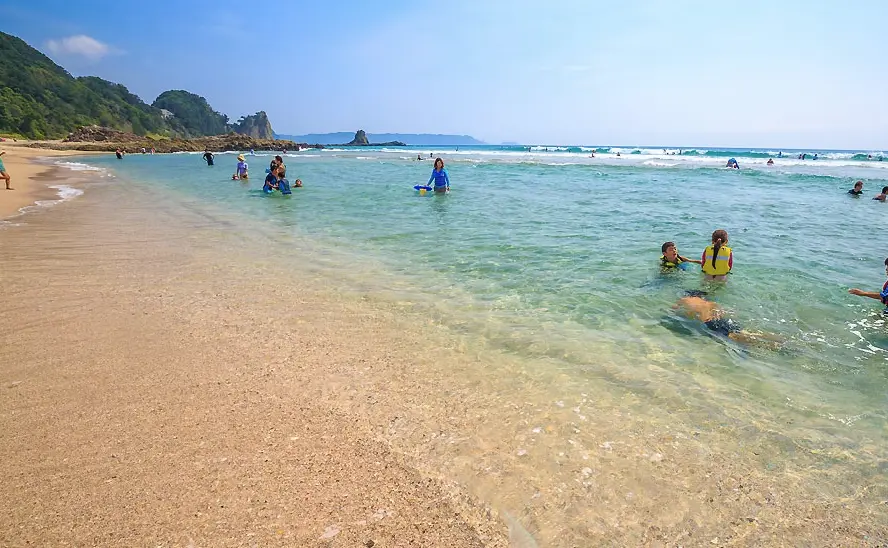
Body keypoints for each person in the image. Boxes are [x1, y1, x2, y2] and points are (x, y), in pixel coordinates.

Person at [673, 290, 781, 347]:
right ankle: (775, 339)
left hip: (710, 323)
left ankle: (770, 345)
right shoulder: (710, 303)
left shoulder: (685, 299)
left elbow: (674, 310)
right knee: (746, 333)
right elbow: (722, 312)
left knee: (737, 338)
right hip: (723, 320)